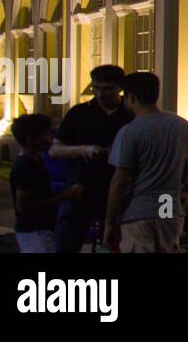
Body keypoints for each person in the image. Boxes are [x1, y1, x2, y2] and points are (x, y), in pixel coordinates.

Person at [104, 72, 188, 253]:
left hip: (140, 207)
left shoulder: (130, 132)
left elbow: (119, 181)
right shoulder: (179, 124)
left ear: (131, 97)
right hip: (168, 204)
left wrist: (110, 221)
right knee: (167, 246)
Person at [49, 64, 133, 253]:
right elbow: (55, 150)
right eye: (97, 88)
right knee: (68, 228)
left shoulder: (129, 114)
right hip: (83, 181)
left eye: (108, 88)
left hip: (119, 184)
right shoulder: (79, 113)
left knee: (120, 237)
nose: (101, 94)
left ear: (120, 88)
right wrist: (85, 150)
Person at [9, 114, 83, 253]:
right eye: (46, 134)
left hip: (43, 229)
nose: (51, 138)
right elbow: (23, 207)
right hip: (34, 232)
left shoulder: (37, 161)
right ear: (31, 139)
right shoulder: (26, 167)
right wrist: (64, 196)